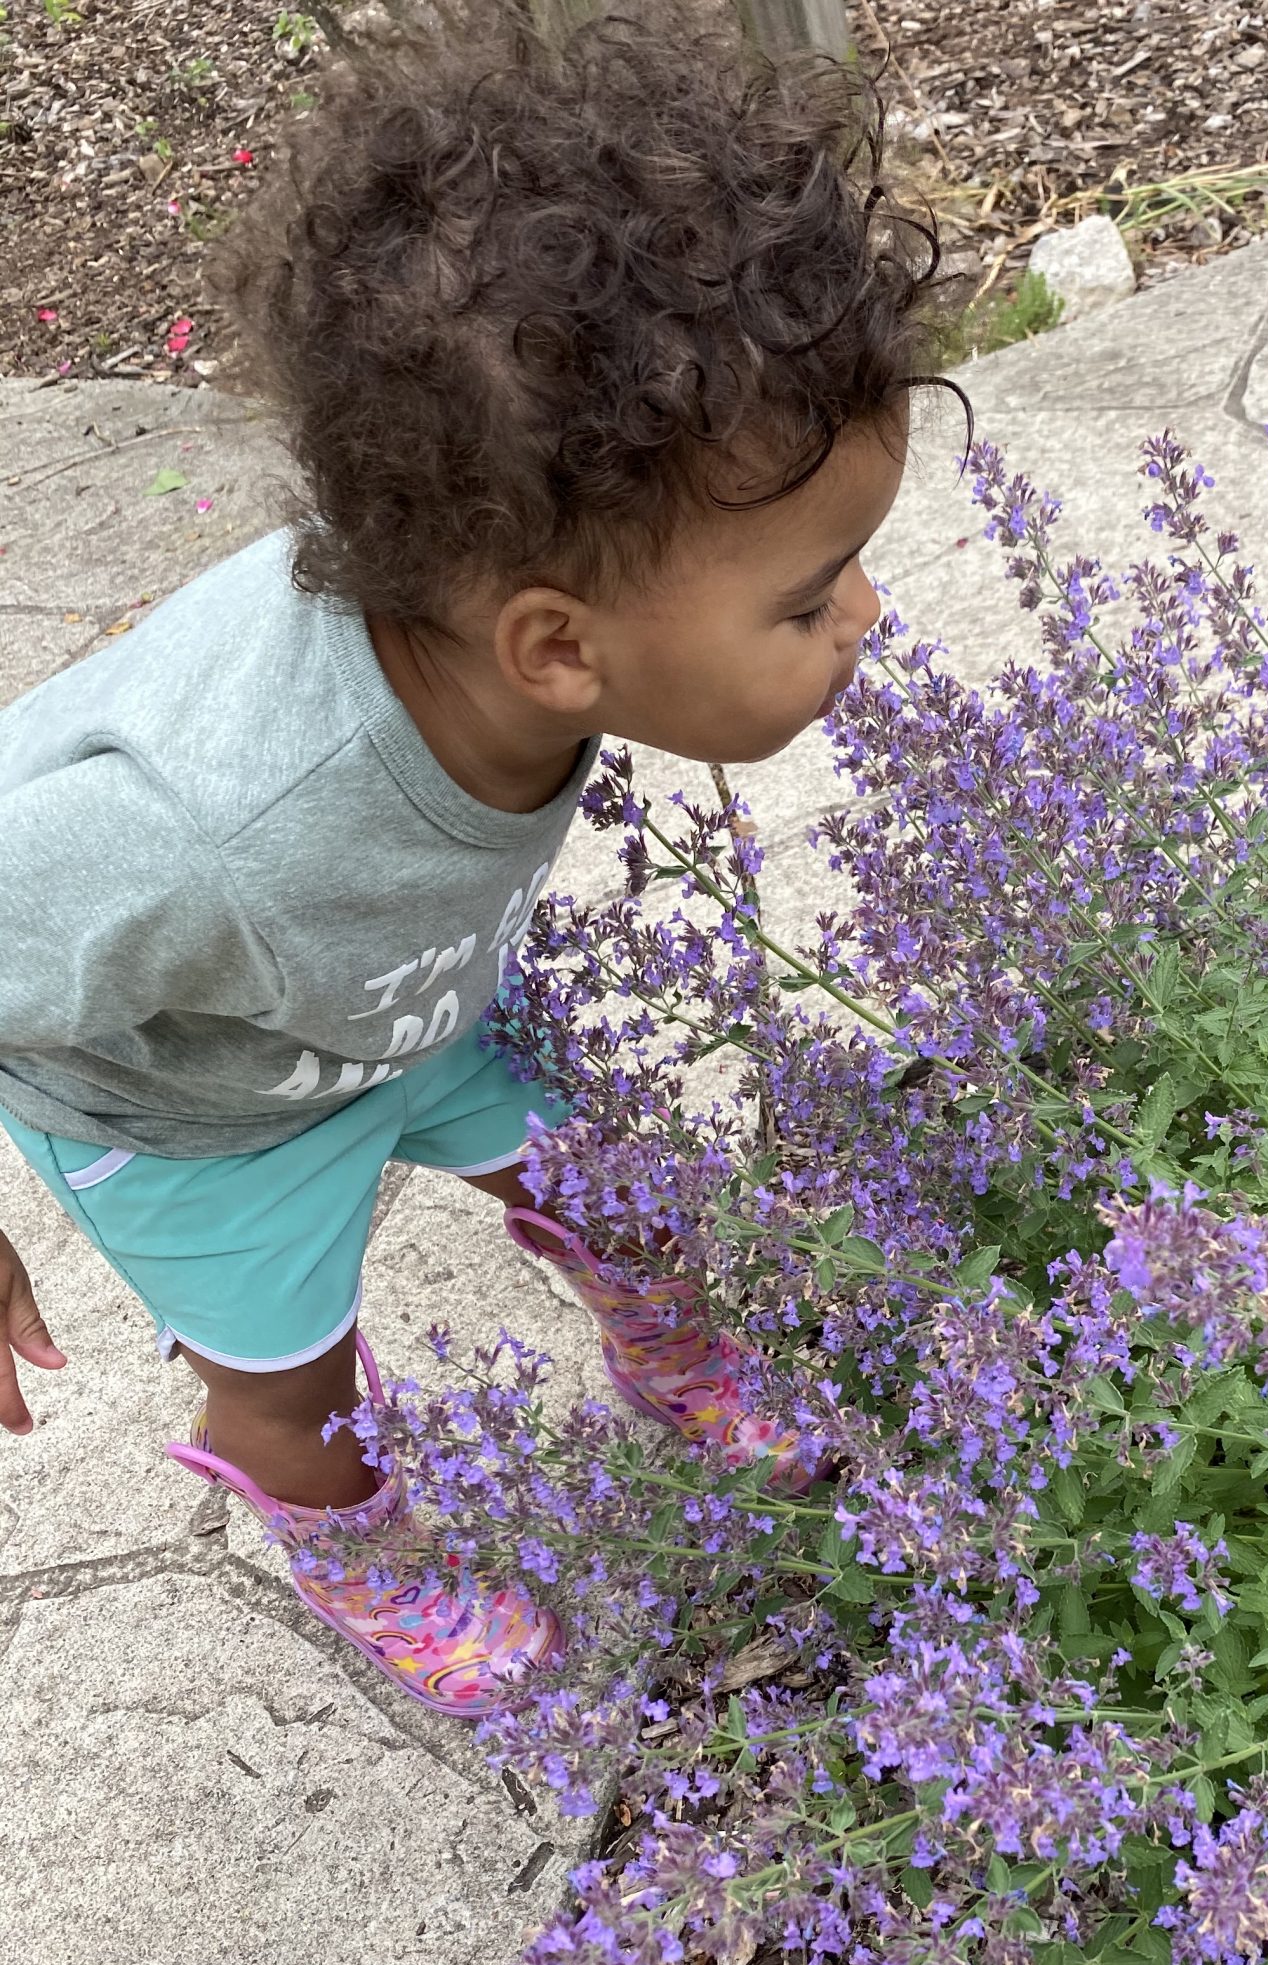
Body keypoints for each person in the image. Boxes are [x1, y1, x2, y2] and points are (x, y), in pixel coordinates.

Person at [0, 0, 944, 1714]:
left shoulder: (503, 606)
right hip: (198, 1111)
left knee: (627, 1192)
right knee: (295, 1392)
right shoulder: (202, 828)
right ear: (557, 651)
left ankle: (674, 1351)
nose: (866, 618)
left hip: (404, 1003)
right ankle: (357, 1548)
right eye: (812, 597)